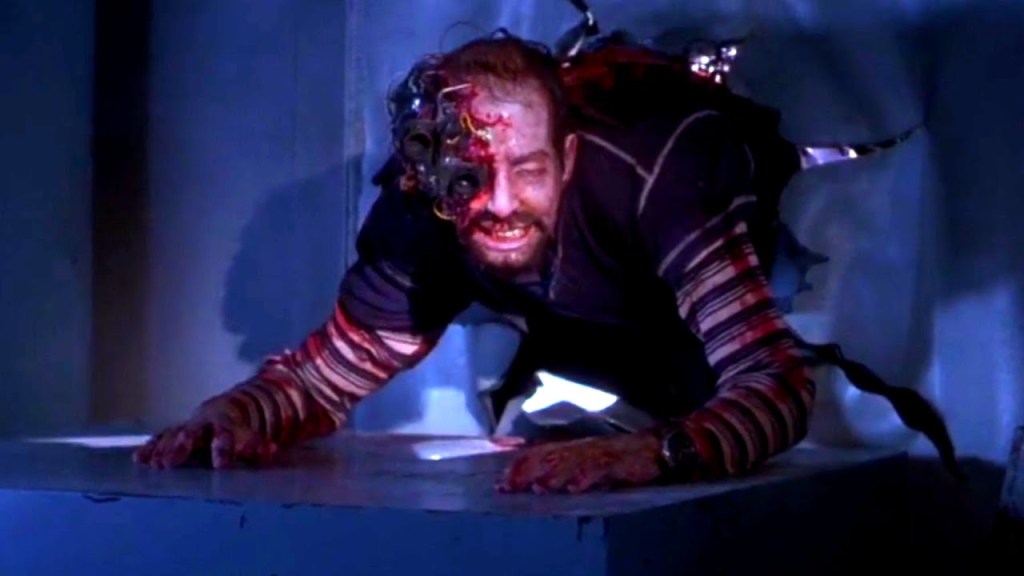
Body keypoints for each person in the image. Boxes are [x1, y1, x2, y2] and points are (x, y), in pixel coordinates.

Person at [133, 34, 819, 494]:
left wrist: (659, 454)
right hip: (579, 331)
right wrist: (234, 413)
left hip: (727, 298)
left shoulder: (656, 175)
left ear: (568, 159)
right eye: (471, 175)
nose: (500, 203)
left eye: (528, 170)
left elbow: (778, 384)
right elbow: (327, 376)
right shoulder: (421, 210)